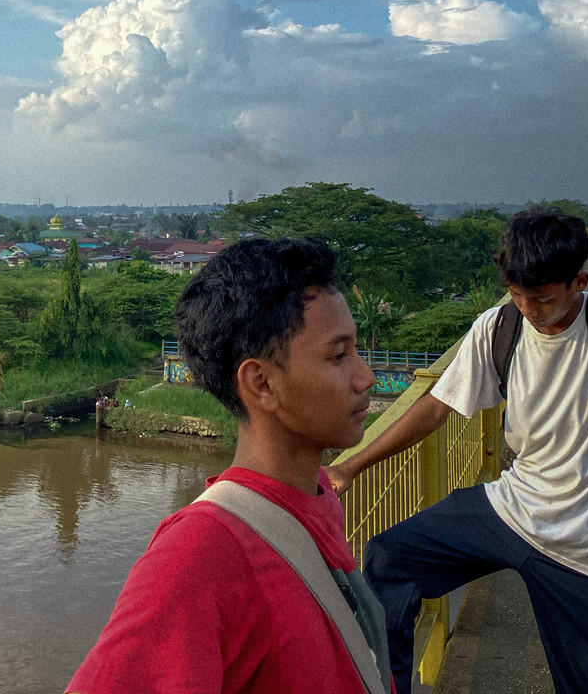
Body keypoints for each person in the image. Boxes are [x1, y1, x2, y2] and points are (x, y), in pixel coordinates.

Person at [326, 208, 588, 694]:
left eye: (544, 298)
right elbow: (437, 407)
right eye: (517, 294)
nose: (529, 309)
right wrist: (351, 466)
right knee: (390, 559)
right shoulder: (499, 327)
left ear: (579, 282)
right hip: (513, 508)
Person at [67, 238, 390, 694]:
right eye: (339, 356)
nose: (366, 377)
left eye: (356, 350)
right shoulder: (196, 557)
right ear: (261, 384)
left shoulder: (316, 495)